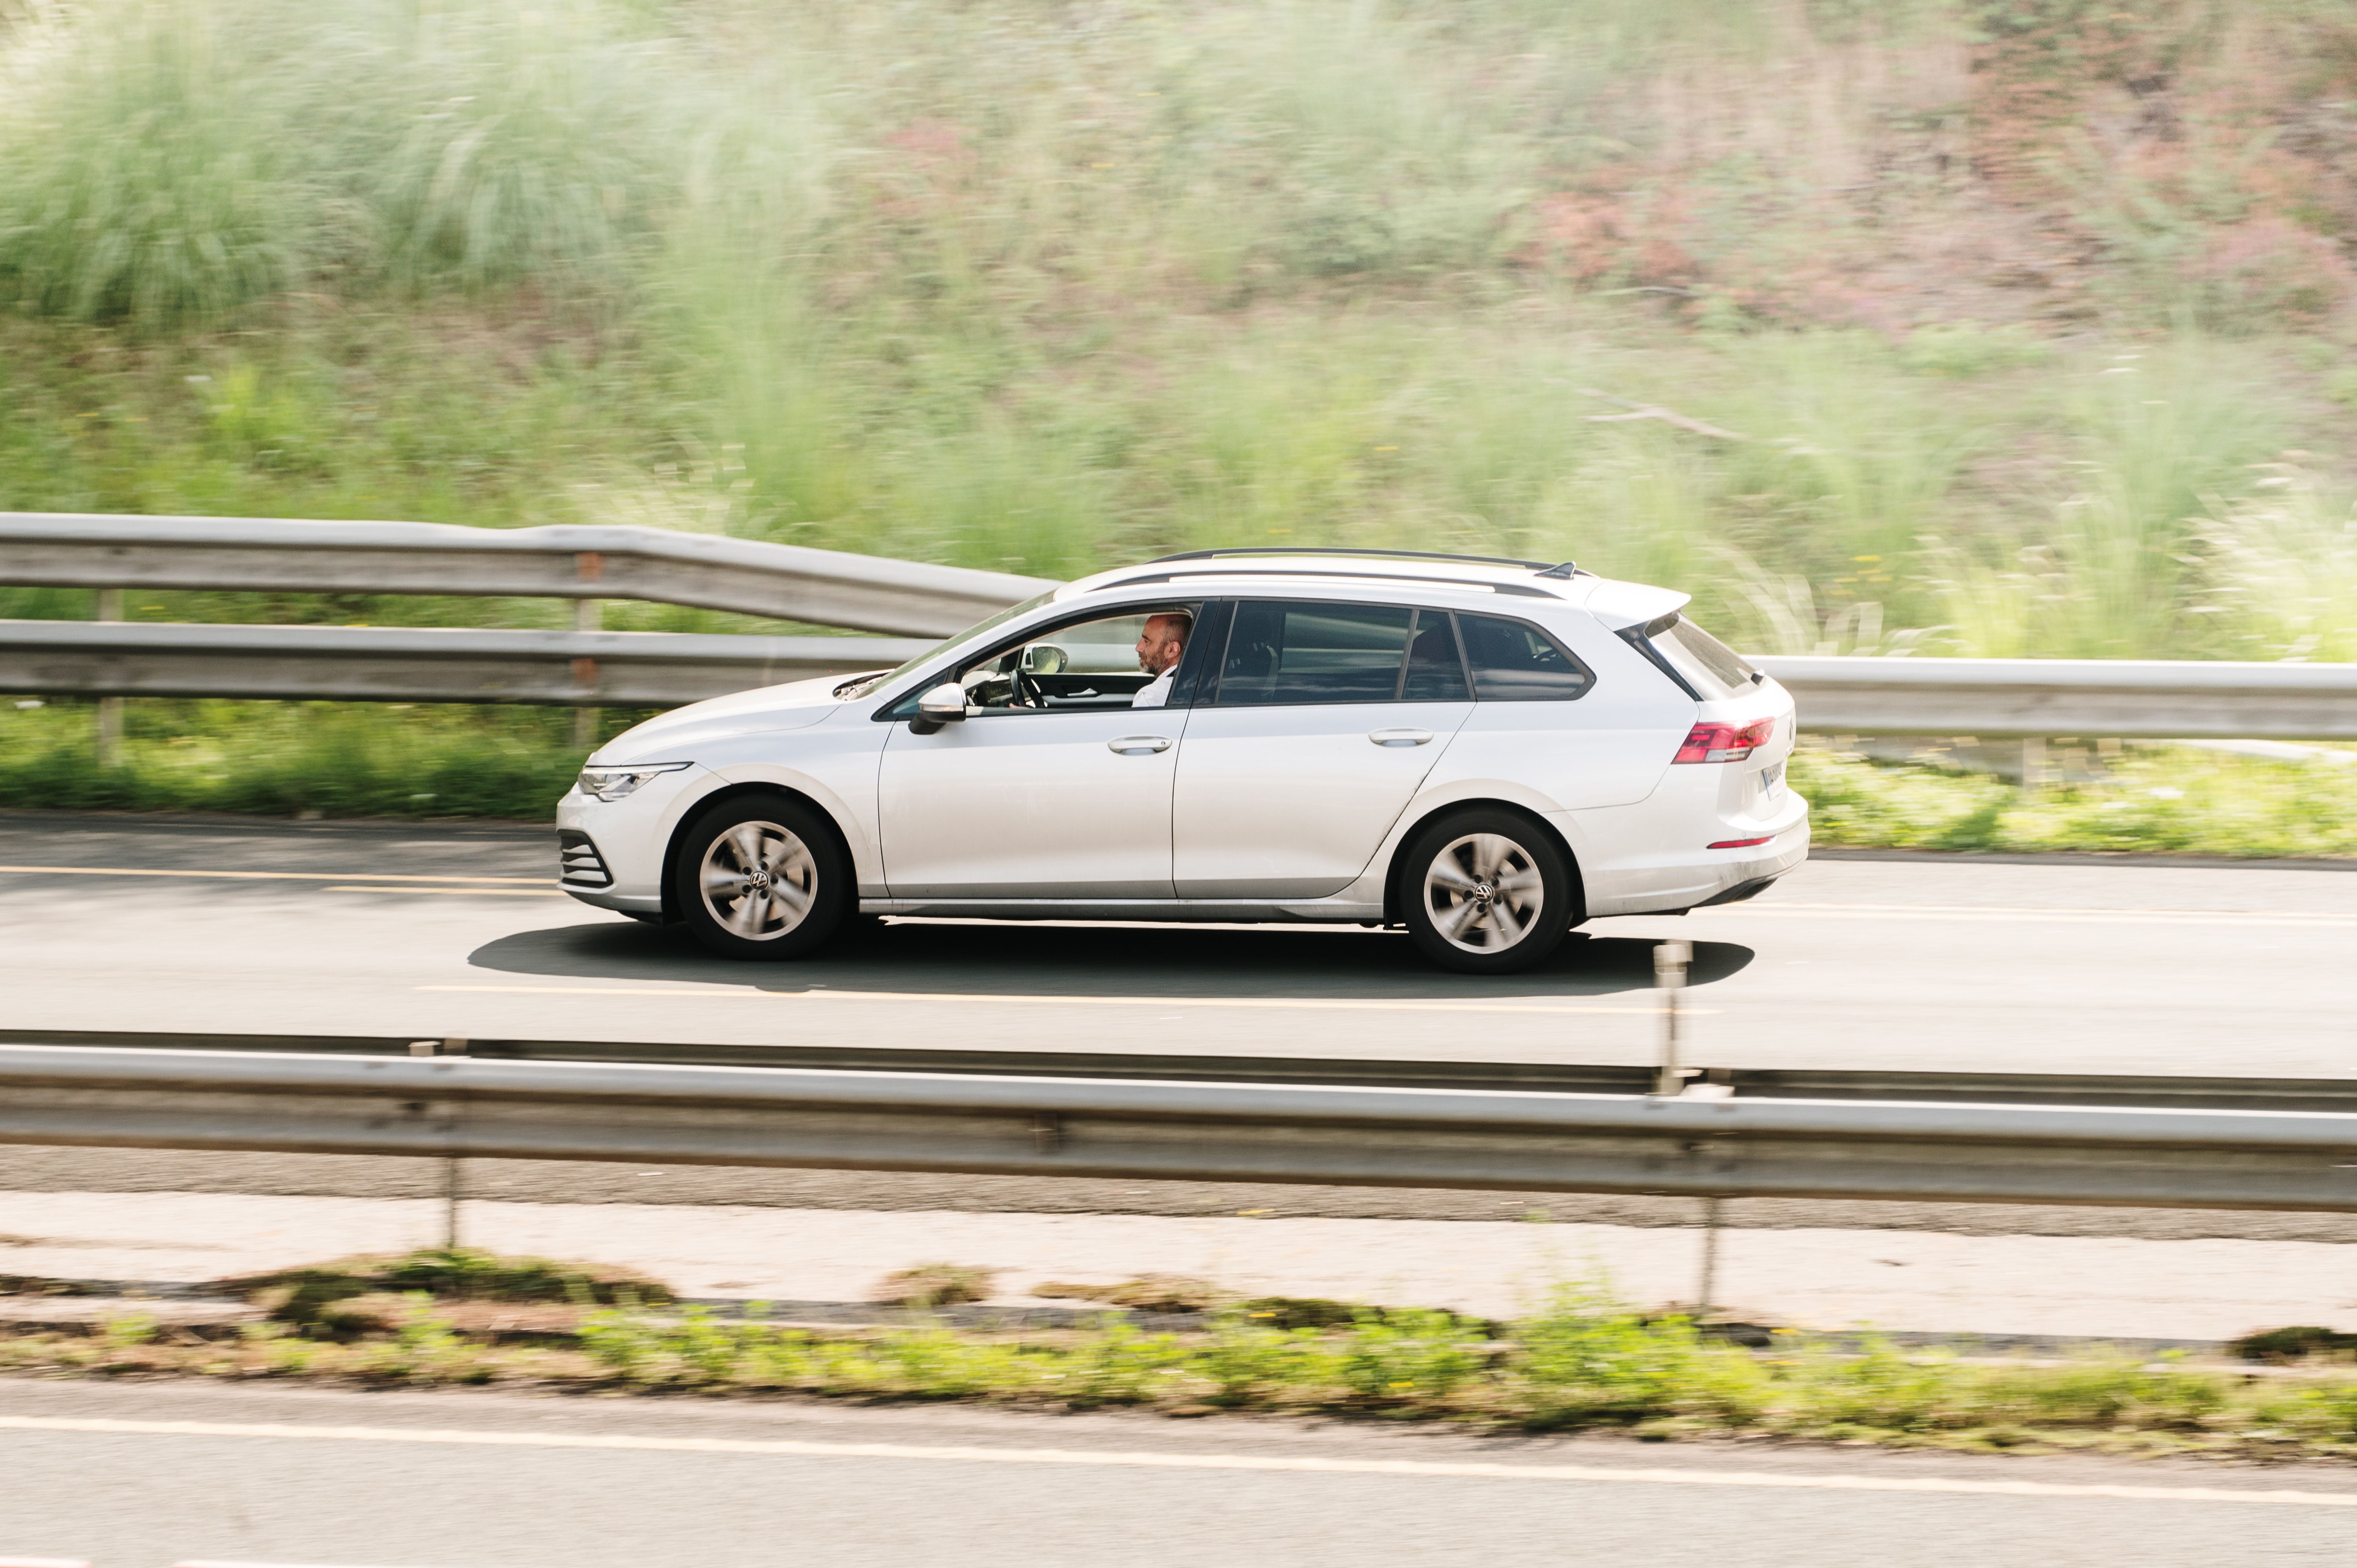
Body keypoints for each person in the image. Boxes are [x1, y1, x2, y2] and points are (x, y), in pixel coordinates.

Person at [1130, 611, 1191, 707]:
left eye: (1147, 641)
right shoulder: (1198, 680)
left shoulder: (1152, 699)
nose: (1138, 648)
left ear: (1172, 650)